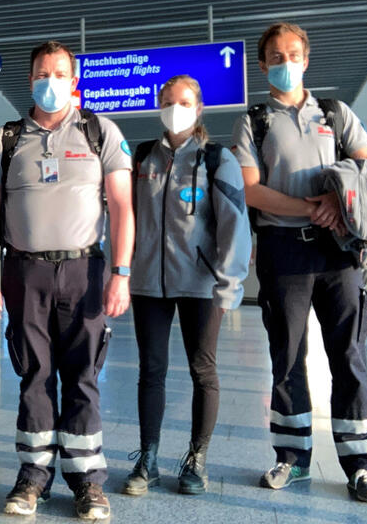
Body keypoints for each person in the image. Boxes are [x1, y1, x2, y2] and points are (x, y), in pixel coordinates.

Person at [0, 40, 134, 520]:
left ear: (73, 81)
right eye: (42, 74)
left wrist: (121, 273)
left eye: (59, 74)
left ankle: (87, 481)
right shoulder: (7, 138)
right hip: (25, 271)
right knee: (34, 374)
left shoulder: (99, 132)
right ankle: (33, 477)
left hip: (85, 270)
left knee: (83, 375)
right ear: (30, 80)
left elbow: (123, 206)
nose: (50, 82)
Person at [231, 22, 367, 503]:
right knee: (287, 356)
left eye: (293, 54)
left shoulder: (336, 114)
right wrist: (310, 207)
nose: (286, 63)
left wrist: (337, 203)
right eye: (276, 57)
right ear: (263, 66)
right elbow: (251, 189)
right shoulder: (254, 121)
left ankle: (361, 465)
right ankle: (293, 457)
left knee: (348, 354)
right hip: (283, 249)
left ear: (306, 59)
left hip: (338, 250)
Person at [122, 75, 250, 497]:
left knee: (202, 369)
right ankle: (148, 458)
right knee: (151, 370)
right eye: (167, 102)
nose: (174, 109)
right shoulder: (143, 157)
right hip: (148, 283)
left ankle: (197, 458)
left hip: (201, 284)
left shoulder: (217, 158)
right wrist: (118, 270)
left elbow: (234, 224)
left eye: (183, 102)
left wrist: (229, 283)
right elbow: (124, 217)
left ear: (198, 108)